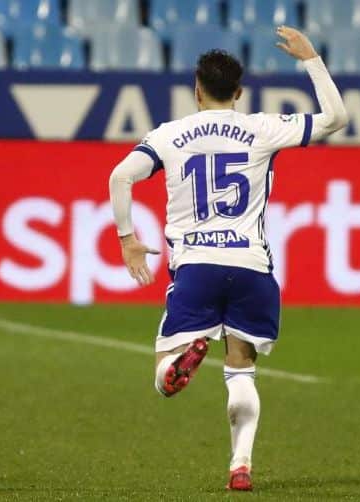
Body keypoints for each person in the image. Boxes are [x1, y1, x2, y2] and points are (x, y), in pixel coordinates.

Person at [109, 26, 347, 491]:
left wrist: (127, 238)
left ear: (196, 89)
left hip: (197, 266)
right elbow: (335, 118)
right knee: (241, 371)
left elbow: (120, 176)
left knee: (162, 373)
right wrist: (311, 58)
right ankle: (241, 465)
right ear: (238, 92)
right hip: (251, 269)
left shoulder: (170, 135)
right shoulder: (261, 128)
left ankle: (178, 365)